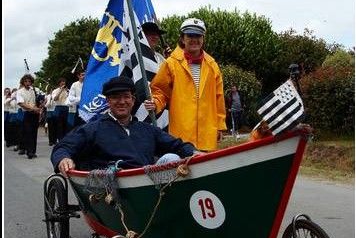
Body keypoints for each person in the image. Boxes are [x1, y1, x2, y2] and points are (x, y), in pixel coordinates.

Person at [51, 76, 198, 175]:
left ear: (133, 100)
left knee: (172, 158)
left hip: (150, 186)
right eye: (115, 97)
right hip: (110, 190)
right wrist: (64, 159)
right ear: (108, 101)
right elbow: (63, 147)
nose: (122, 101)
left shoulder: (147, 130)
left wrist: (197, 154)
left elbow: (177, 145)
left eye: (126, 97)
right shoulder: (92, 129)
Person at [144, 17, 227, 152]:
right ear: (183, 39)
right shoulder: (171, 63)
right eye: (190, 35)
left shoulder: (213, 65)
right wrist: (156, 103)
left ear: (203, 39)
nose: (194, 39)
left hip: (207, 134)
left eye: (198, 36)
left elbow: (219, 98)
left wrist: (220, 126)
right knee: (183, 171)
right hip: (181, 135)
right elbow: (160, 91)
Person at [16, 74, 42, 159]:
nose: (28, 83)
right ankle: (29, 151)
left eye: (29, 81)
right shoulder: (20, 92)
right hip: (27, 113)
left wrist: (39, 107)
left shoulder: (33, 90)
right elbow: (21, 103)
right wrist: (33, 108)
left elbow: (38, 100)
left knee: (34, 133)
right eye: (26, 81)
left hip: (35, 114)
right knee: (28, 132)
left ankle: (33, 151)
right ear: (23, 82)